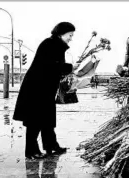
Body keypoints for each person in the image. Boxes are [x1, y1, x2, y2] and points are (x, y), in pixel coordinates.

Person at [13, 22, 80, 159]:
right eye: (70, 35)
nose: (71, 38)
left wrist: (68, 69)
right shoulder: (50, 44)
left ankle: (51, 146)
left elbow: (55, 67)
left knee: (47, 118)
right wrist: (70, 68)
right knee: (34, 120)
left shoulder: (55, 44)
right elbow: (51, 66)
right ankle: (31, 151)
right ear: (62, 33)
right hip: (36, 88)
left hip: (45, 87)